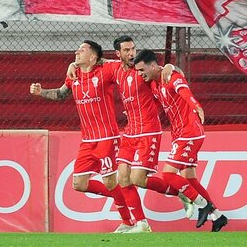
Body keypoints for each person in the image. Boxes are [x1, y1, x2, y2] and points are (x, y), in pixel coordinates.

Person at [66, 35, 193, 233]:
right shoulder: (114, 68)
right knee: (124, 178)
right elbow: (95, 59)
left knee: (136, 179)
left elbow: (166, 72)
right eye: (126, 50)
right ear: (118, 53)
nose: (132, 53)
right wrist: (73, 63)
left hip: (148, 130)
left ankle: (182, 193)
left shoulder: (142, 71)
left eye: (133, 49)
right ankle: (141, 224)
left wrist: (171, 66)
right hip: (130, 132)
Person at [30, 40, 134, 233]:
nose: (76, 52)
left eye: (82, 50)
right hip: (87, 140)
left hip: (107, 137)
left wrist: (98, 60)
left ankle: (128, 222)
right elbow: (61, 94)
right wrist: (41, 92)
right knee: (79, 184)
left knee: (110, 181)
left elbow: (123, 64)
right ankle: (120, 195)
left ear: (93, 56)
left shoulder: (105, 71)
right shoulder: (74, 75)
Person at [134, 49, 228, 232]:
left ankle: (202, 205)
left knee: (168, 175)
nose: (140, 74)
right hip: (180, 134)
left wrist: (196, 106)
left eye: (142, 70)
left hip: (189, 132)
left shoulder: (171, 77)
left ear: (153, 66)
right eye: (138, 71)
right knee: (190, 179)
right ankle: (218, 217)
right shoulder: (154, 84)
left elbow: (184, 91)